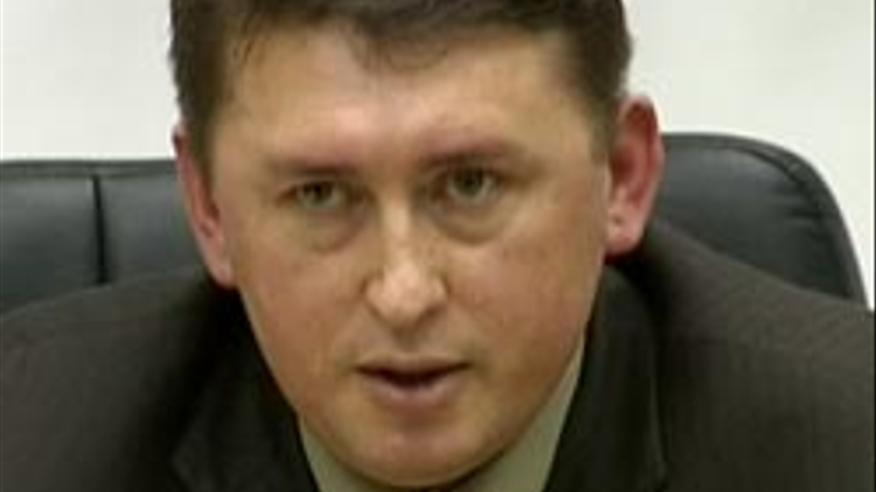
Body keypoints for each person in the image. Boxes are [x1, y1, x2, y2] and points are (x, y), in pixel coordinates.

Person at [0, 1, 872, 491]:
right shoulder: (30, 443)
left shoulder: (847, 444)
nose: (404, 292)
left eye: (470, 184)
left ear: (621, 176)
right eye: (320, 195)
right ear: (209, 208)